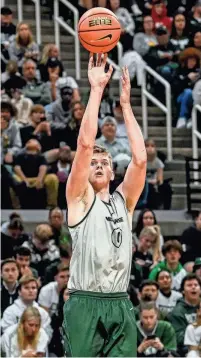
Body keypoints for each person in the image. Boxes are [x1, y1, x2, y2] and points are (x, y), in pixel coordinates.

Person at [63, 54, 147, 356]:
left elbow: (140, 159)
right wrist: (96, 90)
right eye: (93, 163)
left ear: (113, 172)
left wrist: (126, 107)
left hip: (120, 301)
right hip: (85, 301)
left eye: (105, 162)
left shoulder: (124, 202)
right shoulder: (78, 197)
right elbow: (85, 145)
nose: (98, 165)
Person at [13, 139, 59, 208]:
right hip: (23, 179)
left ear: (38, 146)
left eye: (32, 141)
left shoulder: (41, 157)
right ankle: (16, 206)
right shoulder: (20, 156)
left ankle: (51, 205)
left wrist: (39, 180)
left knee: (53, 178)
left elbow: (43, 168)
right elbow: (17, 168)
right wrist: (24, 180)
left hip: (38, 179)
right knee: (13, 179)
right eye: (28, 141)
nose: (29, 141)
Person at [168, 274, 201, 356]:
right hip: (188, 350)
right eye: (189, 285)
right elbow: (179, 338)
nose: (193, 287)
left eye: (196, 285)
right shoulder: (177, 312)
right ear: (183, 291)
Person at [173, 47, 201, 129]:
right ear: (185, 60)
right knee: (188, 92)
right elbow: (175, 88)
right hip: (180, 96)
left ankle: (193, 119)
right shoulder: (179, 71)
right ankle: (182, 118)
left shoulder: (198, 72)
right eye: (190, 60)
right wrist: (187, 79)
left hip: (195, 97)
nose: (192, 63)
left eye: (194, 60)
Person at [145, 138, 172, 209]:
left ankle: (167, 209)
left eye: (152, 146)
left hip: (155, 184)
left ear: (155, 148)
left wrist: (157, 182)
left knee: (167, 187)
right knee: (149, 187)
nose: (150, 148)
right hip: (143, 185)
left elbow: (160, 180)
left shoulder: (158, 162)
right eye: (147, 146)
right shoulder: (140, 162)